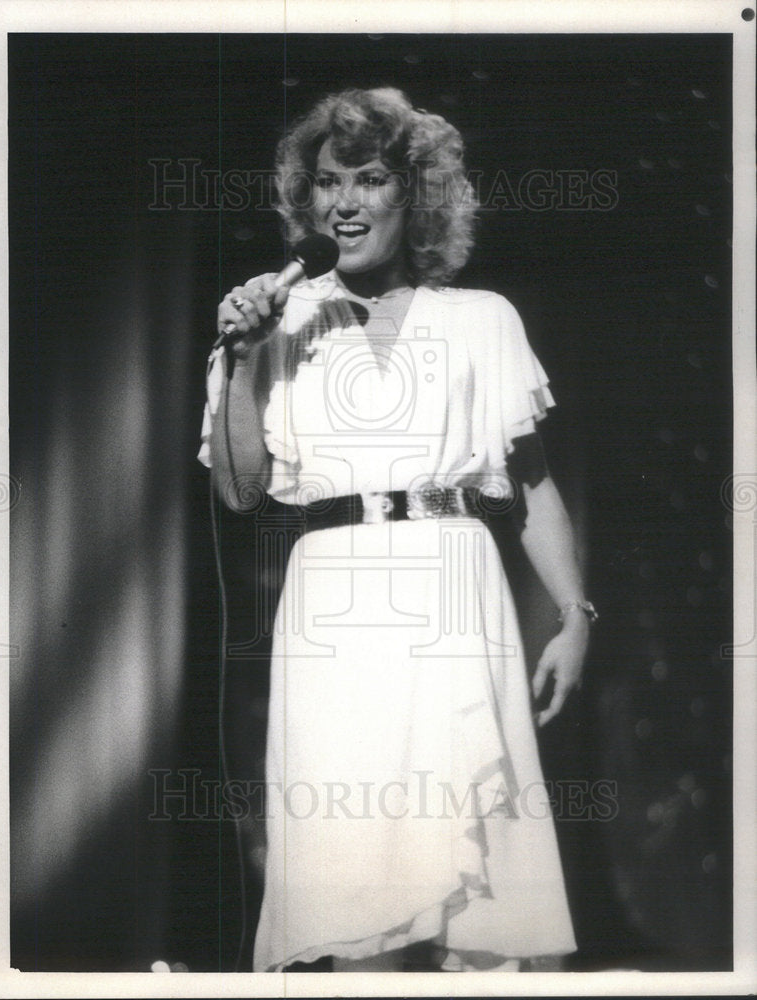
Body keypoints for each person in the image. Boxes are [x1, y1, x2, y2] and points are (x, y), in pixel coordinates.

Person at [198, 87, 594, 973]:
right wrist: (240, 358)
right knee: (355, 903)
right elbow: (236, 490)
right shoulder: (276, 325)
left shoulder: (481, 320)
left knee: (489, 901)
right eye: (329, 183)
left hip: (456, 595)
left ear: (412, 193)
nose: (344, 203)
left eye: (368, 179)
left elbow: (529, 488)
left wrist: (573, 616)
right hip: (334, 614)